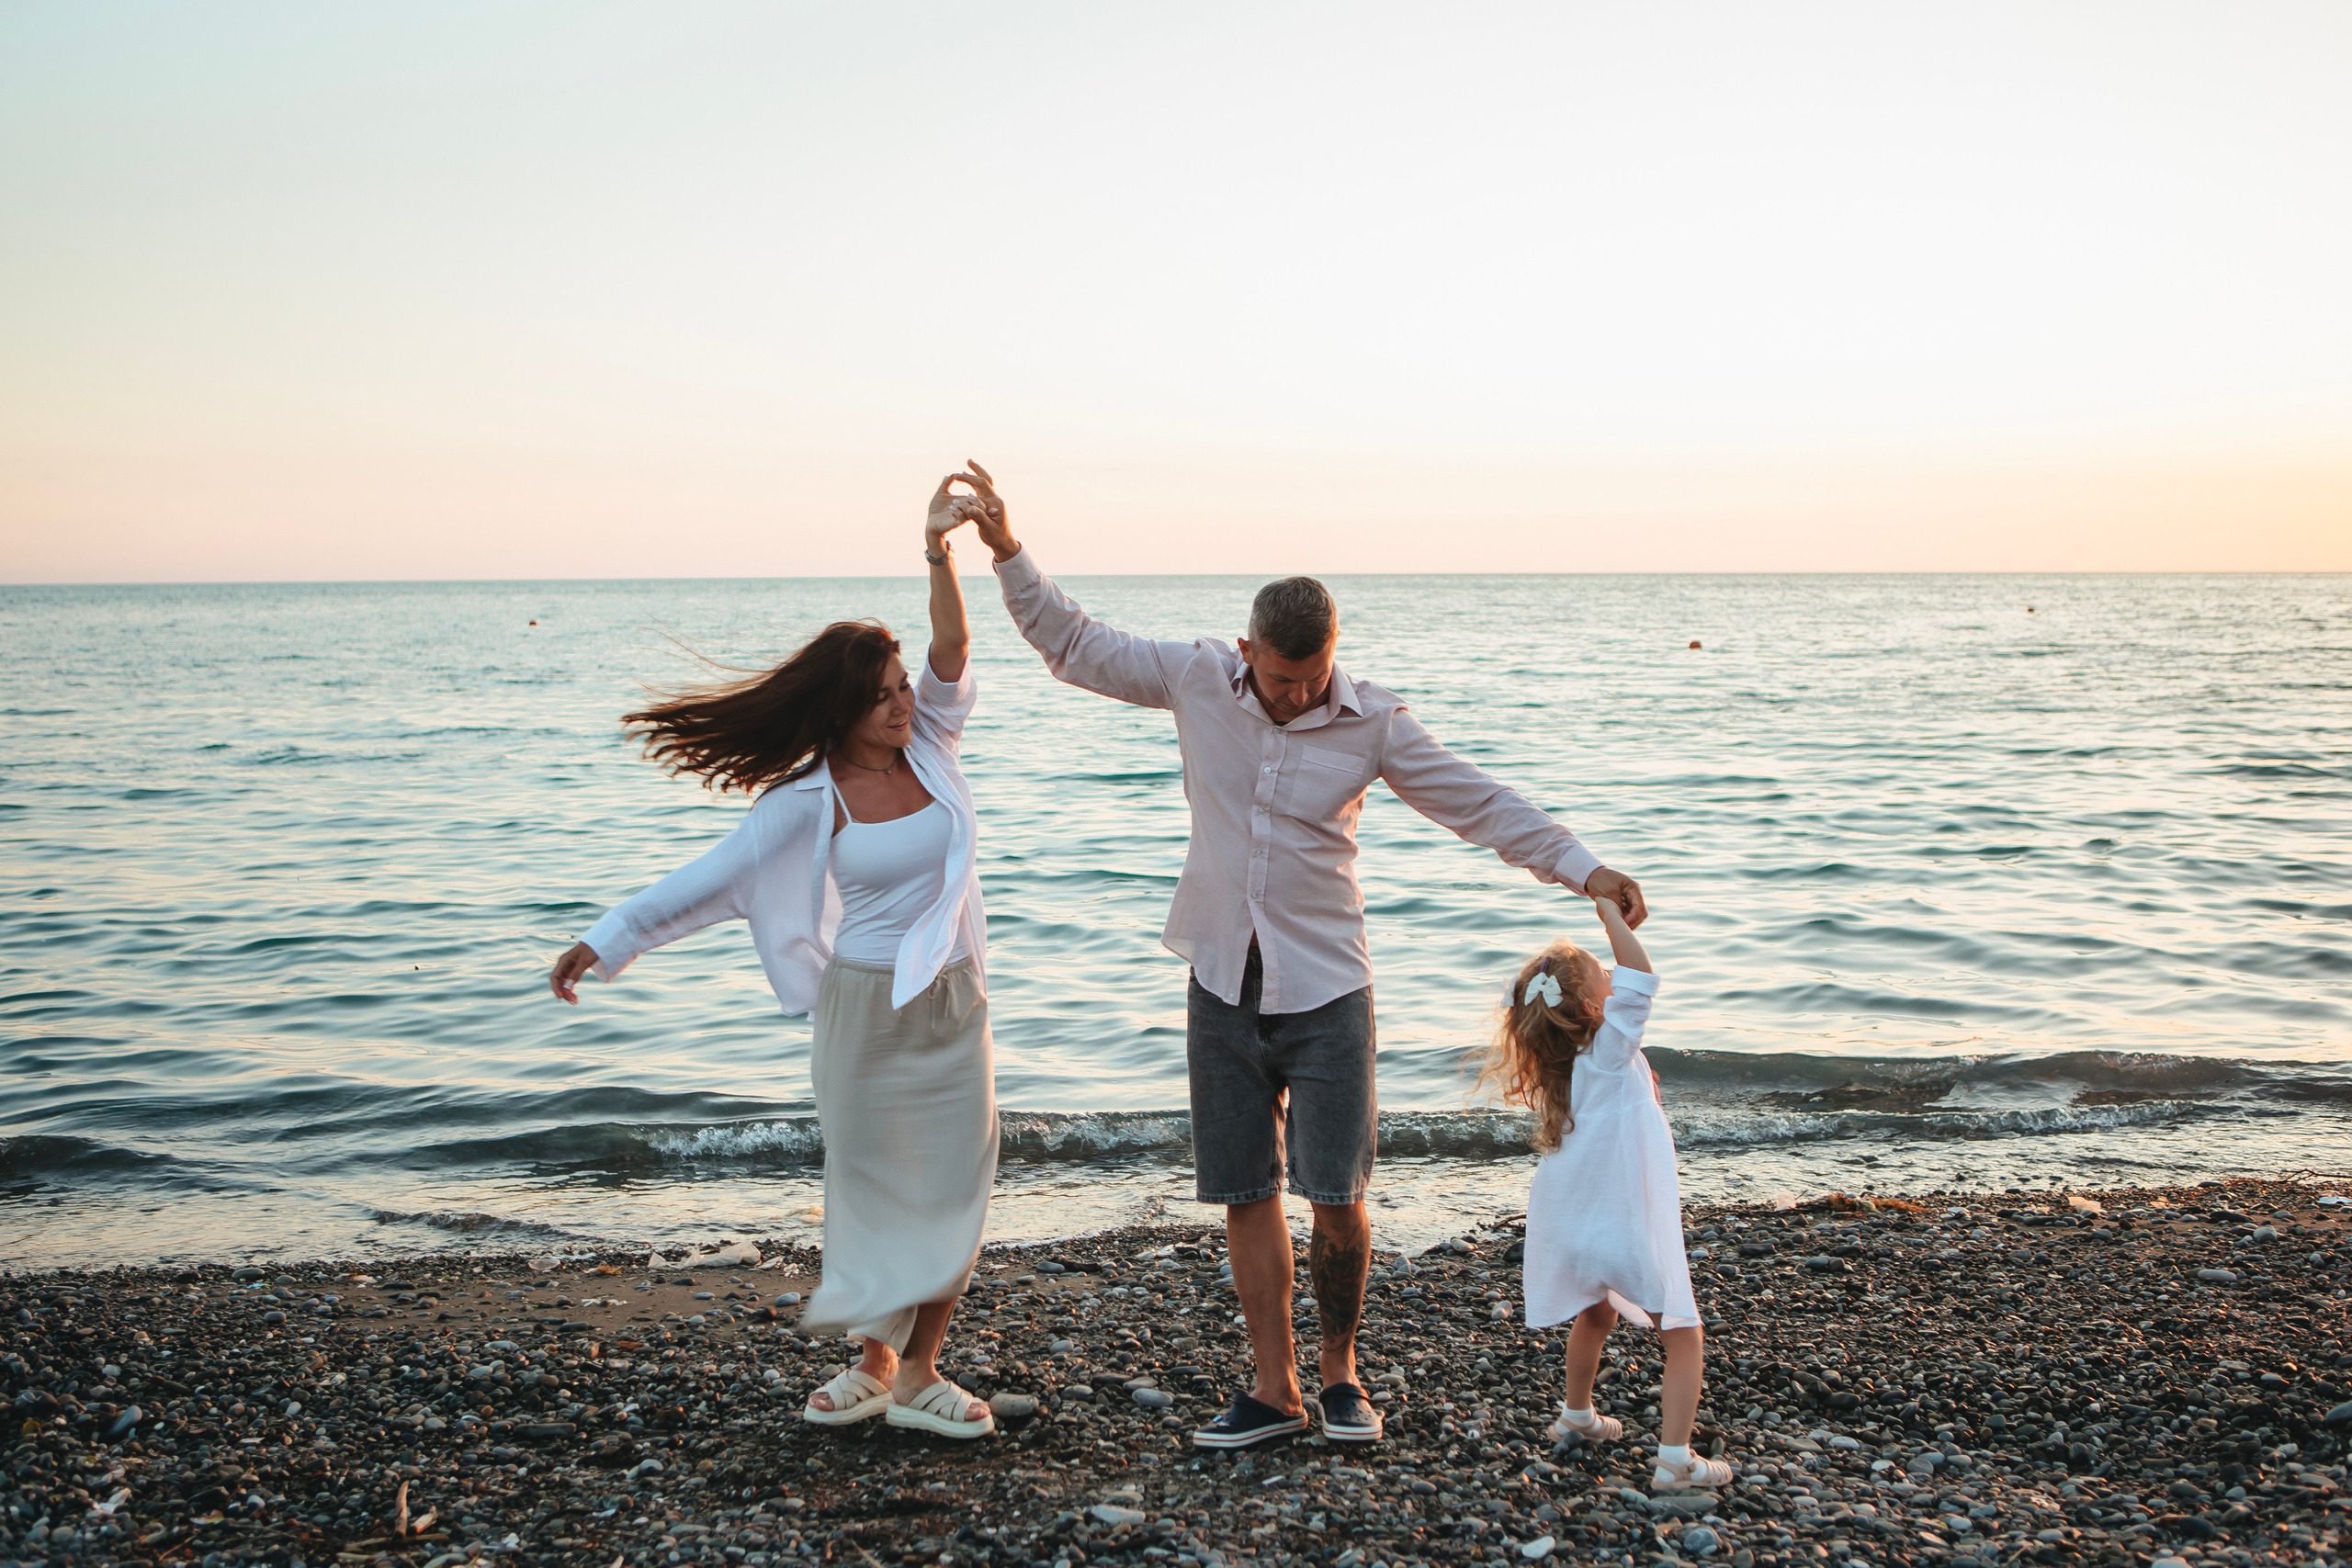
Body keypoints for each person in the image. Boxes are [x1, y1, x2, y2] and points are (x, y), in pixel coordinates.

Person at [945, 461, 1648, 1450]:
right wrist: (1004, 546)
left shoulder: (1373, 722)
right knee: (1242, 1189)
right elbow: (1071, 644)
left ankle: (1340, 1376)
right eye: (1281, 680)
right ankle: (1273, 1388)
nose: (1298, 694)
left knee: (1339, 1198)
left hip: (1328, 988)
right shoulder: (1196, 676)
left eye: (1312, 678)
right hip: (1221, 978)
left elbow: (1478, 803)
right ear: (1247, 653)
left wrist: (1585, 870)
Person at [545, 478, 1001, 1439]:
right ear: (839, 710)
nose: (900, 706)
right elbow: (705, 880)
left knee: (957, 1183)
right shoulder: (804, 803)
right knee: (874, 1186)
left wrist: (939, 551)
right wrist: (608, 938)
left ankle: (919, 1369)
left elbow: (953, 652)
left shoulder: (935, 751)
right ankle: (878, 1364)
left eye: (902, 690)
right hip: (865, 1007)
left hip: (954, 1001)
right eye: (879, 699)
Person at [1485, 897, 1734, 1490]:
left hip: (1570, 1228)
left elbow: (1626, 981)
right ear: (1595, 1004)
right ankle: (1676, 1460)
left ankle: (1577, 1415)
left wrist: (1601, 946)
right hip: (1623, 1223)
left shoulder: (1561, 1069)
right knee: (1683, 1334)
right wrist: (1613, 922)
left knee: (1595, 1312)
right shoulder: (1609, 1050)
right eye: (1604, 973)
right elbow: (1642, 975)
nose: (1614, 975)